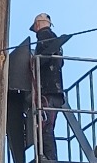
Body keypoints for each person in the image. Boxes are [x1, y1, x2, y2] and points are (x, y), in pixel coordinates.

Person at [31, 13, 72, 155]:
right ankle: (49, 157)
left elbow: (41, 61)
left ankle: (47, 158)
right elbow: (60, 63)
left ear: (37, 24)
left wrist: (32, 63)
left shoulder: (44, 37)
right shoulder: (56, 42)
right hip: (56, 92)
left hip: (46, 91)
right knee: (49, 125)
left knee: (44, 125)